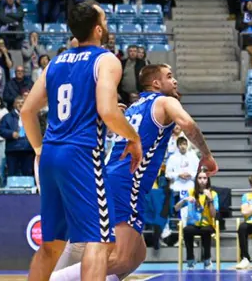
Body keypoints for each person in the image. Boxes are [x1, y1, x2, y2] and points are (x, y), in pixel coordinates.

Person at [49, 63, 218, 280]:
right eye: (169, 76)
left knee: (137, 254)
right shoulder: (166, 101)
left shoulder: (134, 107)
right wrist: (206, 154)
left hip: (113, 180)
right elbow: (188, 124)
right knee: (121, 258)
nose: (174, 80)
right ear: (156, 83)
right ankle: (55, 279)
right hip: (125, 183)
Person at [21, 1, 143, 281]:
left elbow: (27, 110)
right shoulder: (106, 60)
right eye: (105, 19)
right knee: (99, 242)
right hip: (81, 156)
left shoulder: (56, 61)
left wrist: (40, 149)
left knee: (51, 245)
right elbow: (108, 111)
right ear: (99, 29)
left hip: (51, 154)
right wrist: (133, 138)